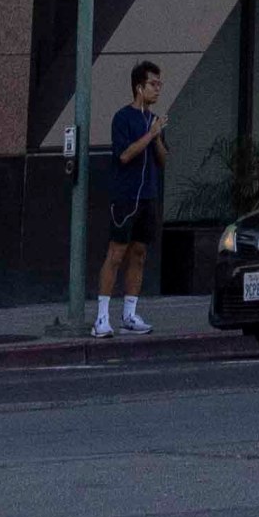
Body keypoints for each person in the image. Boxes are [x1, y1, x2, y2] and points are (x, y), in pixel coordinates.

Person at [93, 59, 167, 339]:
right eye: (153, 84)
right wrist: (150, 134)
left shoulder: (154, 121)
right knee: (116, 253)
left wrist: (157, 137)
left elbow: (162, 159)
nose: (157, 89)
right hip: (125, 196)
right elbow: (124, 155)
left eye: (159, 84)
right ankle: (101, 317)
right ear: (139, 87)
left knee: (139, 253)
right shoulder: (123, 118)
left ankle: (130, 313)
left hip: (148, 195)